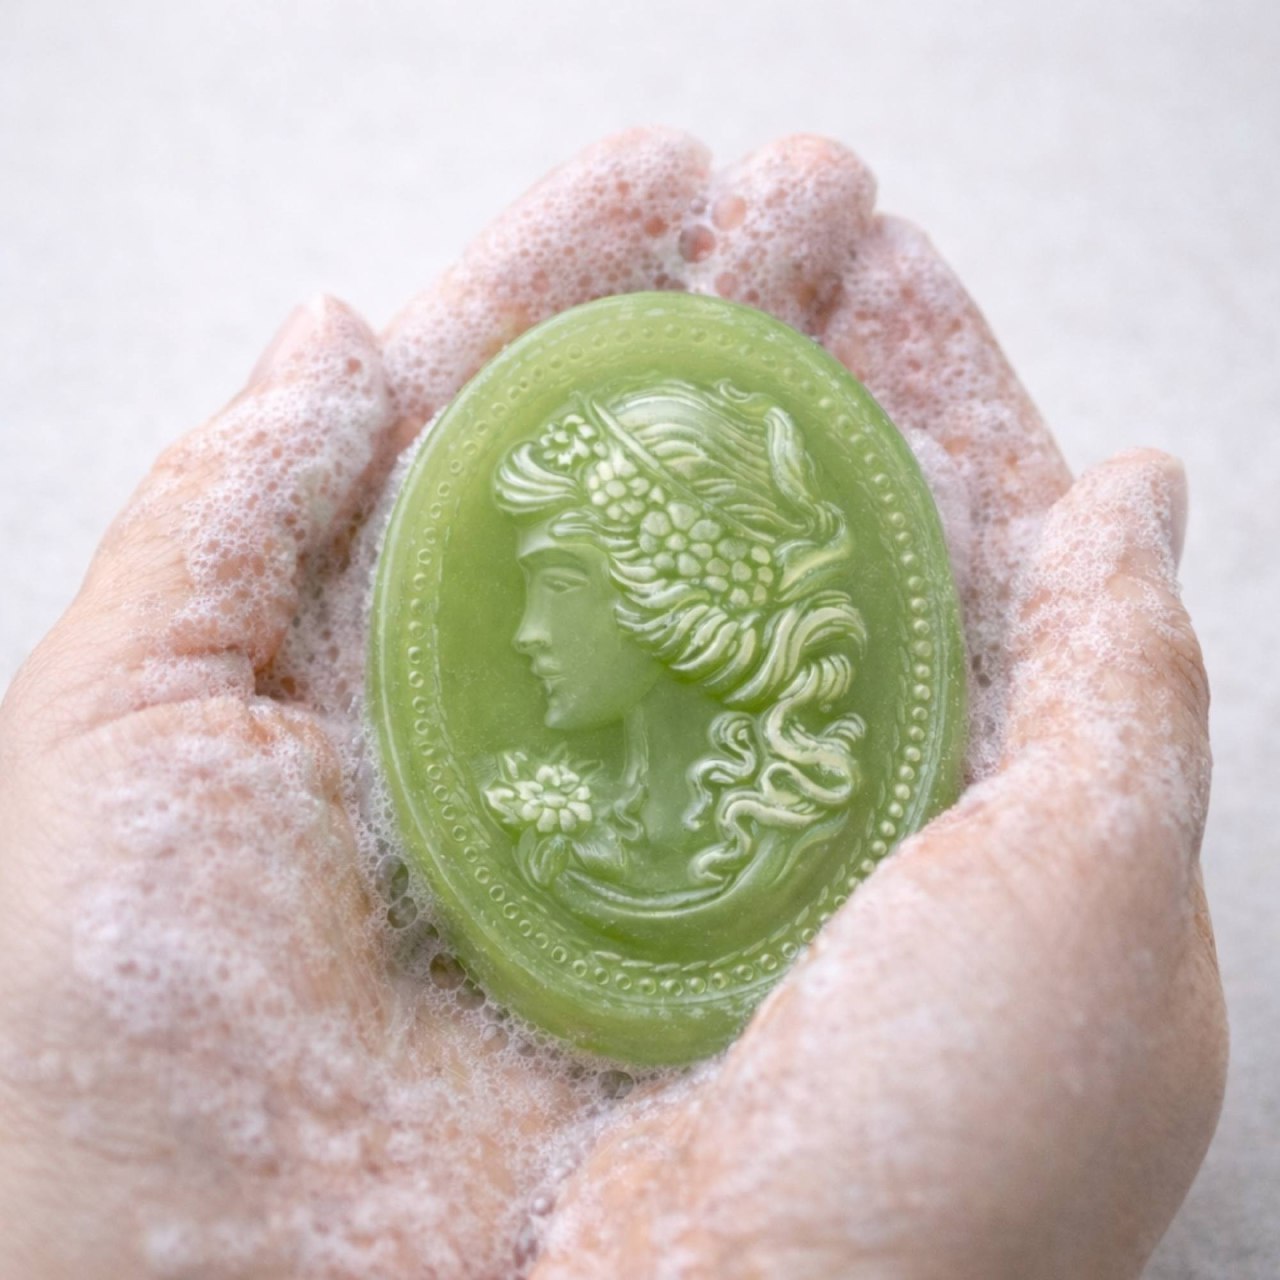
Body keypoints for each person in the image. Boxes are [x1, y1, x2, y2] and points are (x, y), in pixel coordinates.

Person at [0, 129, 1226, 1278]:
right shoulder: (588, 840)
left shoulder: (751, 861)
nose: (523, 631)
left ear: (668, 596)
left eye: (560, 585)